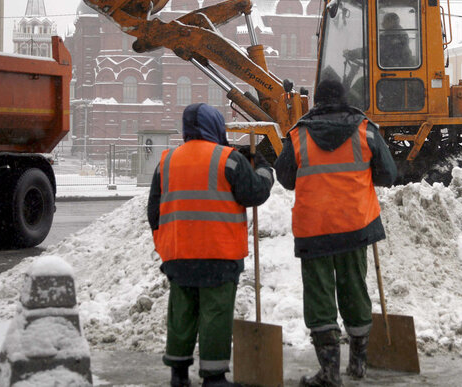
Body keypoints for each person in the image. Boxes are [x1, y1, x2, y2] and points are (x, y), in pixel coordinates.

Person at [274, 79, 398, 386]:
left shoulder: (299, 134)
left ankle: (329, 371)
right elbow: (389, 174)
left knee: (319, 297)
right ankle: (358, 362)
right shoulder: (365, 130)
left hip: (313, 228)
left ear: (317, 102)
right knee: (354, 288)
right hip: (354, 225)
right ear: (344, 99)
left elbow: (286, 177)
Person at [147, 103, 274, 387]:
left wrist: (165, 245)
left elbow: (153, 213)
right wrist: (263, 168)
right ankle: (214, 377)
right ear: (215, 126)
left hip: (178, 254)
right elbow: (254, 193)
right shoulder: (229, 159)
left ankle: (178, 375)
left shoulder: (166, 161)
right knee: (215, 314)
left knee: (182, 312)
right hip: (218, 253)